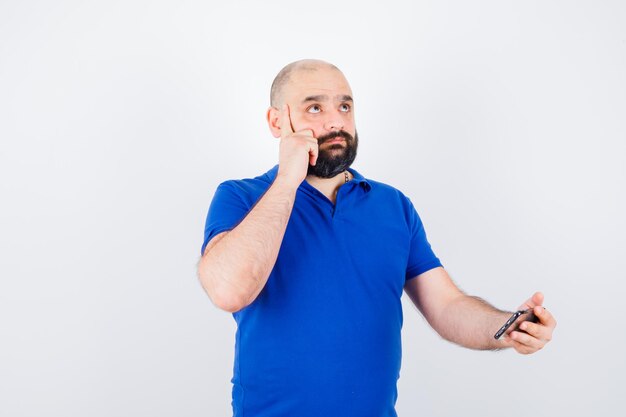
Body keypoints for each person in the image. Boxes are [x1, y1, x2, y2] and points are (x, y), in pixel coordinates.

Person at [197, 59, 557, 417]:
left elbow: (447, 307)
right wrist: (288, 180)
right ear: (278, 121)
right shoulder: (241, 197)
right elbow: (228, 290)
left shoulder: (393, 206)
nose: (336, 120)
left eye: (344, 105)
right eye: (315, 107)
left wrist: (506, 327)